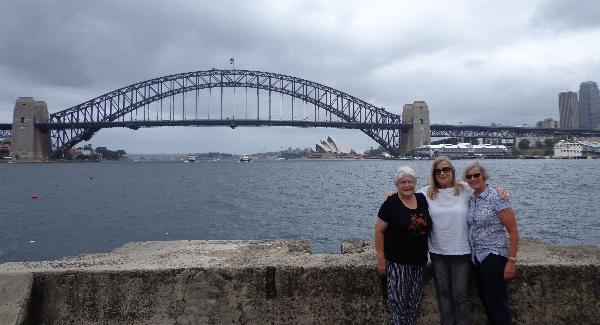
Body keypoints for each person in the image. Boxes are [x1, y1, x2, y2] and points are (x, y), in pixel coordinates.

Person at [375, 166, 432, 325]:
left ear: (415, 183)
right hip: (398, 264)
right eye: (403, 182)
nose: (407, 185)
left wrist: (497, 190)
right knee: (398, 306)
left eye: (410, 182)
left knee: (414, 305)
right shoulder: (391, 203)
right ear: (396, 185)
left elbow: (447, 186)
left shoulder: (422, 199)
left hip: (419, 262)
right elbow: (379, 231)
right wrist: (381, 258)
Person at [464, 161, 519, 325]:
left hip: (493, 256)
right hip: (476, 258)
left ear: (484, 176)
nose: (473, 179)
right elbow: (438, 187)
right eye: (469, 177)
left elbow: (514, 232)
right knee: (487, 303)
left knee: (497, 304)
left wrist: (511, 262)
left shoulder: (497, 197)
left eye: (476, 175)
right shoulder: (471, 198)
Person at [420, 157, 473, 325]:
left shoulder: (465, 189)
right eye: (438, 171)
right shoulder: (427, 192)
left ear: (452, 172)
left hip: (461, 251)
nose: (442, 173)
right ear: (434, 175)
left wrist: (501, 190)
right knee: (443, 293)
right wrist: (390, 195)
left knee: (460, 294)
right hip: (438, 252)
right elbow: (405, 195)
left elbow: (485, 191)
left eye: (446, 170)